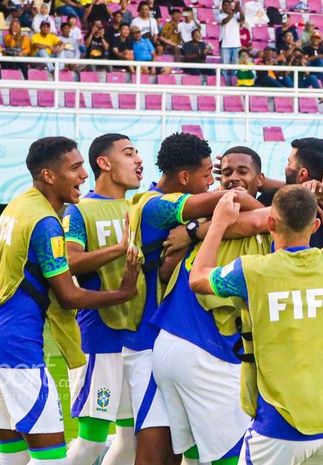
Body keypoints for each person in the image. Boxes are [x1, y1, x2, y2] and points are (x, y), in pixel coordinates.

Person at [0, 136, 139, 465]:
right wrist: (123, 293)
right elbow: (68, 294)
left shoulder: (20, 206)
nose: (83, 176)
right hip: (16, 344)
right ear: (48, 175)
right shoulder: (46, 223)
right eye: (75, 168)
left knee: (12, 455)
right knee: (52, 458)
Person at [189, 173, 323, 465]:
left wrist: (219, 222)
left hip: (282, 423)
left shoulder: (251, 271)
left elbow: (198, 278)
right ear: (315, 225)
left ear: (270, 223)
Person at [123, 132, 263, 465]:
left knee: (181, 454)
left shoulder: (188, 222)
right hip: (167, 342)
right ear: (185, 177)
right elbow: (238, 207)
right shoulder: (156, 205)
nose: (216, 183)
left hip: (166, 340)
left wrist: (194, 231)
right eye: (210, 175)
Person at [63, 134, 143, 465]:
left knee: (131, 437)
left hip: (141, 338)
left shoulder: (140, 207)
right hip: (100, 337)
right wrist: (118, 247)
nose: (138, 159)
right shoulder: (80, 210)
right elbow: (69, 261)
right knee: (92, 441)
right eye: (128, 153)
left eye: (138, 153)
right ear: (104, 163)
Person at [218, 0, 245, 86]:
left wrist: (239, 8)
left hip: (236, 44)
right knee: (225, 67)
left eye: (228, 5)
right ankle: (226, 85)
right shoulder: (220, 15)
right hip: (225, 45)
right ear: (222, 7)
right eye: (224, 5)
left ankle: (233, 85)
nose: (226, 7)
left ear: (231, 6)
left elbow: (242, 18)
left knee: (235, 67)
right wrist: (234, 11)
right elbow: (225, 21)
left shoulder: (236, 15)